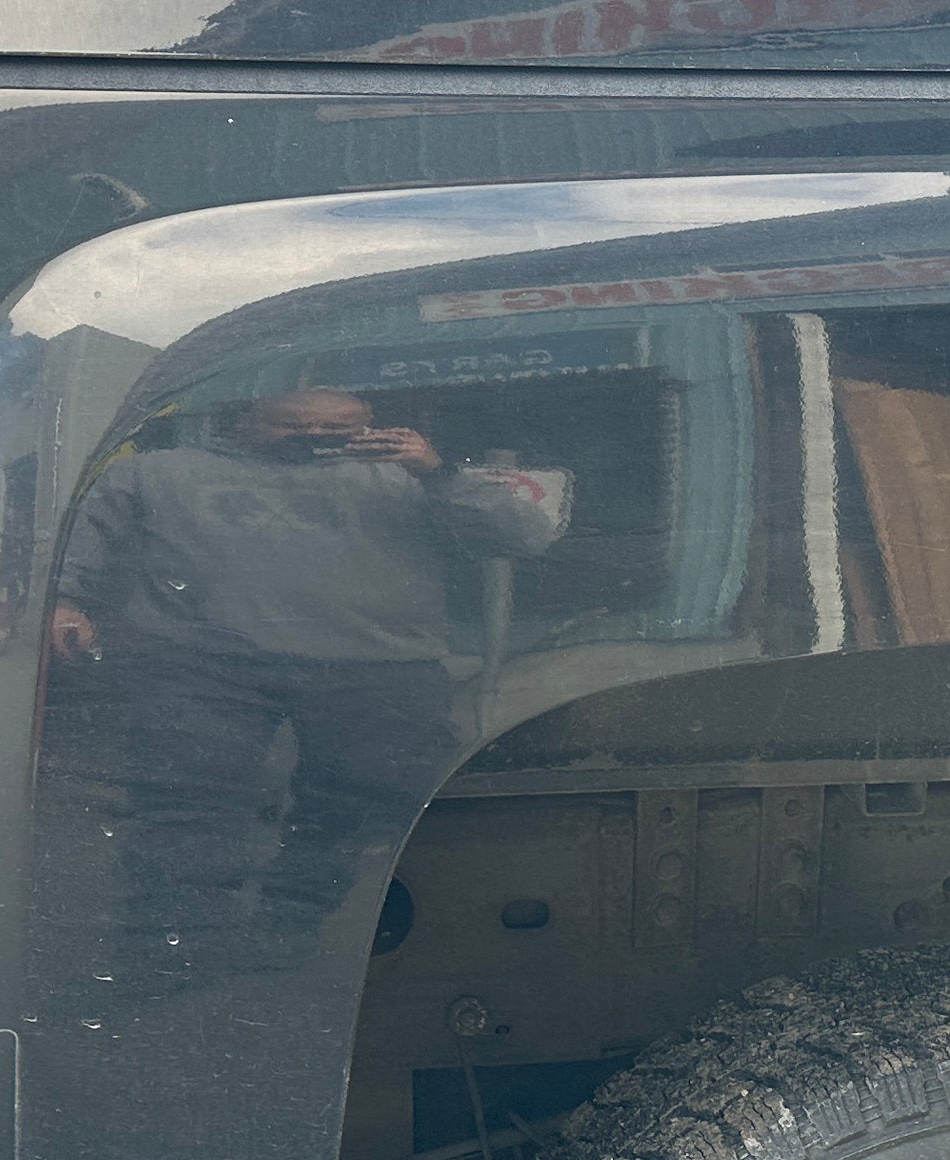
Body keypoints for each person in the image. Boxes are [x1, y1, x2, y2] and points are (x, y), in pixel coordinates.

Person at [42, 389, 565, 981]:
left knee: (347, 808)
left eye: (337, 429)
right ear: (244, 419)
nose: (315, 437)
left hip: (377, 662)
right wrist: (67, 599)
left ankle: (289, 922)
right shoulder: (158, 473)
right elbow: (81, 542)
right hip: (204, 660)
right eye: (293, 424)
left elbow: (526, 537)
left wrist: (438, 473)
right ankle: (169, 944)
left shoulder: (409, 475)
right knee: (184, 803)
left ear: (371, 426)